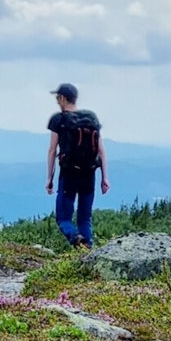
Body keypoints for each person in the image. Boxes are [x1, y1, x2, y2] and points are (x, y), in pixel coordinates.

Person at [45, 83, 108, 248]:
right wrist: (105, 178)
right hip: (89, 174)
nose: (57, 101)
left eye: (58, 97)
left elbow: (52, 150)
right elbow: (101, 150)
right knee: (84, 219)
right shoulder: (91, 118)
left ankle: (75, 238)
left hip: (69, 174)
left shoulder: (59, 120)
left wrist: (49, 178)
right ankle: (89, 254)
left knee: (63, 219)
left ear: (63, 98)